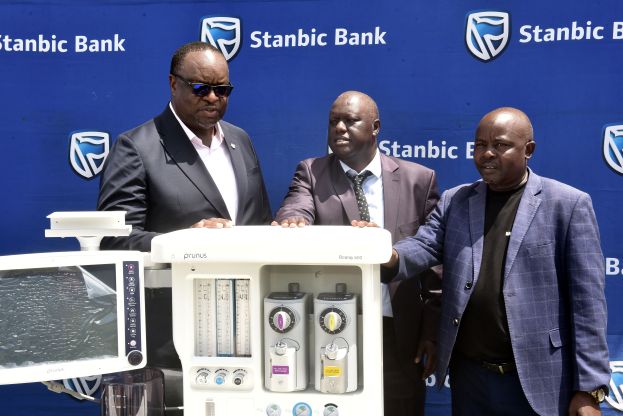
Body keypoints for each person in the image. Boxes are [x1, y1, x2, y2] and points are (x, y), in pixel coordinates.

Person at [385, 107, 610, 415]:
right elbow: (423, 245)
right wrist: (388, 255)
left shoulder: (568, 205)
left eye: (500, 145)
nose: (487, 153)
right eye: (480, 145)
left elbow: (588, 306)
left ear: (528, 150)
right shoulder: (456, 200)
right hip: (471, 379)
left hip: (538, 380)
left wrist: (588, 389)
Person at [97, 41, 272, 413]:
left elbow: (257, 221)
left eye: (222, 90)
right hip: (172, 342)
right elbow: (114, 240)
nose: (213, 98)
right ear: (173, 83)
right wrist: (183, 242)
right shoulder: (136, 147)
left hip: (246, 333)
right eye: (201, 88)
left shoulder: (240, 140)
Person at [274, 91, 441, 416]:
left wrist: (432, 332)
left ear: (375, 127)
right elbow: (297, 206)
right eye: (333, 121)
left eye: (350, 121)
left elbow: (435, 264)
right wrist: (293, 220)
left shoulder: (418, 180)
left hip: (399, 336)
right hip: (330, 328)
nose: (339, 128)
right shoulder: (312, 172)